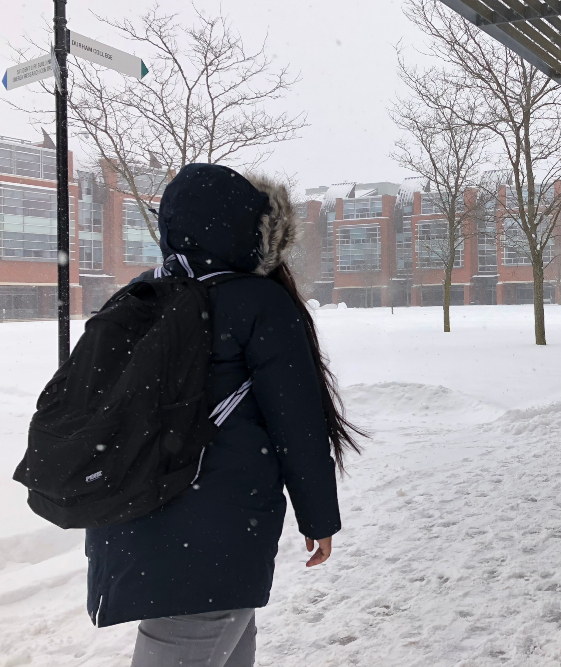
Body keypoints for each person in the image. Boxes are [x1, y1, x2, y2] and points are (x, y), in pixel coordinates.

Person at [85, 164, 364, 667]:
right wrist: (319, 517)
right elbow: (297, 425)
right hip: (219, 527)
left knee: (220, 637)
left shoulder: (140, 295)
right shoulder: (259, 304)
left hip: (133, 510)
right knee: (193, 638)